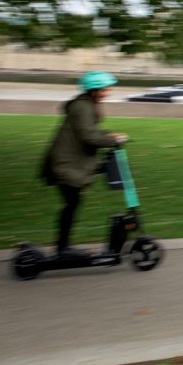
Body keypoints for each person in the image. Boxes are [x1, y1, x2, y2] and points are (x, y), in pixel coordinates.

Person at [40, 71, 128, 258]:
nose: (108, 93)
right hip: (66, 164)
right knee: (72, 204)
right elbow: (88, 136)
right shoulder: (82, 107)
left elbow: (91, 130)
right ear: (94, 90)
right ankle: (62, 248)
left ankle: (63, 247)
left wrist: (110, 135)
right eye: (105, 89)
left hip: (71, 162)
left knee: (72, 204)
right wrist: (114, 141)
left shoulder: (86, 105)